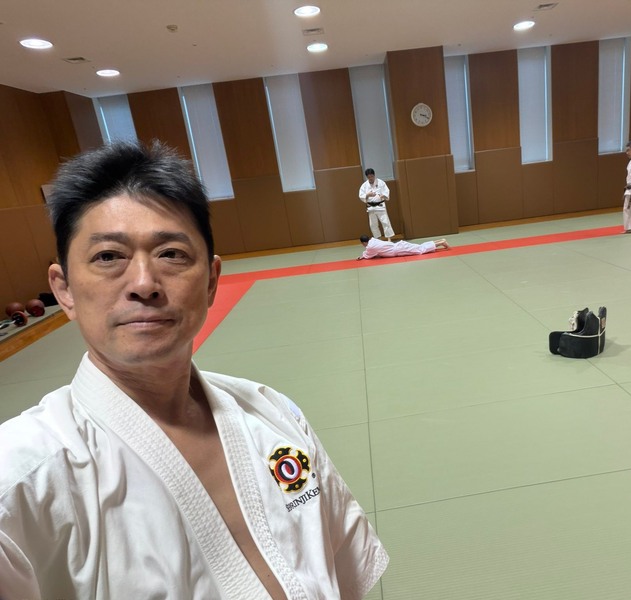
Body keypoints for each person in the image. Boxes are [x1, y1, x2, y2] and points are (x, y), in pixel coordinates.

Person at [0, 141, 388, 600]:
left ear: (210, 281)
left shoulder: (273, 414)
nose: (144, 283)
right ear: (64, 288)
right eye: (108, 256)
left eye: (171, 254)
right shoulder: (21, 480)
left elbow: (343, 572)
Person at [358, 168, 395, 241]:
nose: (370, 178)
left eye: (372, 176)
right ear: (367, 177)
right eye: (369, 177)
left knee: (385, 222)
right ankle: (378, 239)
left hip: (380, 206)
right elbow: (361, 196)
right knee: (373, 224)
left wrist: (383, 195)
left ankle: (389, 238)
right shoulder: (364, 185)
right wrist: (367, 195)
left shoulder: (381, 183)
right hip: (371, 207)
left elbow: (386, 192)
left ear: (374, 175)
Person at [357, 234, 449, 260]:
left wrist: (362, 256)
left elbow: (368, 255)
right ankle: (440, 241)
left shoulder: (370, 247)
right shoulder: (373, 240)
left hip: (399, 249)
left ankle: (441, 242)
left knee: (420, 250)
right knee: (420, 247)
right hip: (399, 246)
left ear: (363, 243)